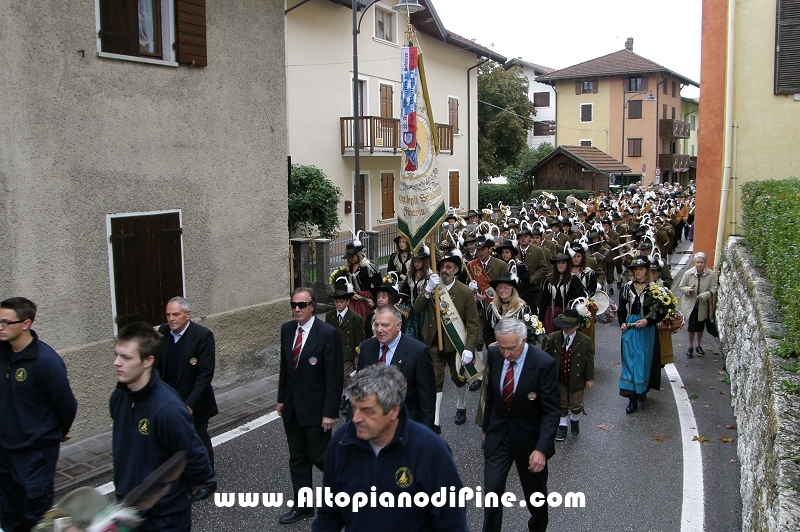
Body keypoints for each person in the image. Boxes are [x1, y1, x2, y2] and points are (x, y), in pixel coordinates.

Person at [312, 365, 467, 531]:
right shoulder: (342, 442)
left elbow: (451, 522)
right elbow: (329, 515)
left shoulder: (429, 450)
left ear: (394, 411)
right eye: (354, 407)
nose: (356, 418)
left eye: (367, 411)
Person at [111, 322, 215, 531]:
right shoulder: (119, 398)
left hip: (164, 521)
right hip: (127, 513)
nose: (117, 363)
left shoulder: (168, 409)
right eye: (117, 355)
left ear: (148, 360)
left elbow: (198, 464)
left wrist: (170, 500)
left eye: (126, 357)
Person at [0, 297, 77, 532]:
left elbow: (66, 405)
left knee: (34, 517)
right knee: (8, 513)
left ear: (26, 323)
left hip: (34, 455)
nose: (0, 327)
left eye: (5, 322)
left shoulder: (46, 362)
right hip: (5, 452)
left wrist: (57, 432)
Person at [481, 318, 560, 532]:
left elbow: (552, 411)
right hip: (499, 435)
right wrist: (486, 428)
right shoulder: (495, 355)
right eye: (502, 347)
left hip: (530, 440)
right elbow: (491, 395)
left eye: (511, 348)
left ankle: (537, 526)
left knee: (535, 495)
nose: (506, 354)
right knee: (492, 490)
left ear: (524, 340)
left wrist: (541, 449)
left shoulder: (543, 363)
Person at [277, 287, 344, 524]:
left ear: (312, 306)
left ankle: (345, 498)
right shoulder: (287, 330)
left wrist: (329, 412)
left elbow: (334, 377)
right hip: (292, 409)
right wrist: (281, 399)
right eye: (294, 305)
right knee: (297, 459)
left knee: (322, 458)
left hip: (316, 412)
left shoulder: (326, 333)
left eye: (302, 305)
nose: (297, 309)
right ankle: (302, 506)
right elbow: (286, 368)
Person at [413, 250, 479, 432]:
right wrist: (427, 290)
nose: (444, 270)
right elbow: (417, 308)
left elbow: (473, 324)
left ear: (456, 270)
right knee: (435, 379)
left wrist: (469, 348)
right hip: (434, 341)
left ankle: (461, 405)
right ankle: (435, 420)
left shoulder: (465, 292)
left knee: (457, 378)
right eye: (442, 266)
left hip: (454, 343)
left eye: (449, 267)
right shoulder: (433, 286)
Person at [157, 296, 218, 470]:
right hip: (169, 400)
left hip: (194, 401)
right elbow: (158, 368)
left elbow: (205, 374)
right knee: (171, 440)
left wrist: (190, 405)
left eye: (175, 314)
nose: (171, 319)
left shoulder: (202, 336)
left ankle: (207, 478)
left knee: (198, 439)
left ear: (188, 314)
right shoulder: (163, 332)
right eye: (168, 315)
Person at [356, 305, 436, 430]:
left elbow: (427, 399)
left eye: (385, 325)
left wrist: (425, 434)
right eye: (376, 325)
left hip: (405, 426)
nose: (379, 329)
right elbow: (358, 390)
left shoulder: (418, 352)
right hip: (371, 426)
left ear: (398, 325)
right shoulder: (366, 347)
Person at [618, 256, 663, 413]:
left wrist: (648, 321)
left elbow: (660, 313)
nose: (638, 272)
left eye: (641, 269)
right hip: (630, 328)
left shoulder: (654, 289)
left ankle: (641, 391)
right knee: (629, 360)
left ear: (647, 271)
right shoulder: (626, 288)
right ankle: (632, 399)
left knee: (642, 360)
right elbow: (621, 309)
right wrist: (622, 322)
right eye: (636, 269)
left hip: (645, 330)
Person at [544, 309, 594, 441]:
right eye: (564, 327)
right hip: (559, 377)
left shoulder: (585, 341)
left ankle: (575, 419)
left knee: (576, 403)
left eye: (570, 327)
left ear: (578, 325)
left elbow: (589, 361)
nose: (567, 330)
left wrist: (589, 378)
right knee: (561, 402)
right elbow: (546, 357)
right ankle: (562, 426)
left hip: (576, 378)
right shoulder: (554, 337)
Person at [325, 280, 364, 412]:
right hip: (334, 352)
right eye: (336, 301)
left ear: (347, 302)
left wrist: (357, 354)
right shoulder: (330, 316)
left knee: (344, 376)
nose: (338, 304)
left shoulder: (355, 318)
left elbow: (359, 339)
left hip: (347, 354)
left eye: (341, 301)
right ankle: (340, 397)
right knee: (334, 376)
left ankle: (347, 398)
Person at [678, 252, 719, 358]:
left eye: (702, 262)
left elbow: (713, 288)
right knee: (691, 326)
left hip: (702, 305)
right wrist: (689, 290)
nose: (699, 264)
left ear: (705, 263)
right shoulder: (688, 273)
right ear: (694, 263)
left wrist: (704, 295)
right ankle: (690, 346)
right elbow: (681, 286)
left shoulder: (711, 274)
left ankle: (698, 345)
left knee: (700, 326)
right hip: (690, 304)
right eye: (697, 262)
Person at [538, 253, 585, 334]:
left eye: (563, 263)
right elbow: (543, 300)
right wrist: (540, 319)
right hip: (551, 314)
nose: (560, 265)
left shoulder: (573, 279)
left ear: (567, 264)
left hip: (567, 315)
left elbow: (579, 299)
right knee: (551, 338)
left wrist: (577, 318)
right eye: (558, 263)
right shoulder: (548, 279)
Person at [342, 243, 382, 320]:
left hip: (365, 299)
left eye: (352, 256)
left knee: (364, 320)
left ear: (358, 254)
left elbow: (378, 285)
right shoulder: (348, 268)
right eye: (349, 257)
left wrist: (374, 300)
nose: (350, 259)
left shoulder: (367, 267)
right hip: (352, 298)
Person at [400, 245, 432, 341]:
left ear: (424, 262)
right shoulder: (410, 274)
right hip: (412, 308)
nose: (416, 264)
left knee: (423, 332)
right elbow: (405, 290)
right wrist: (401, 300)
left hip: (425, 309)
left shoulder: (429, 276)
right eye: (414, 262)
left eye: (419, 262)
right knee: (410, 333)